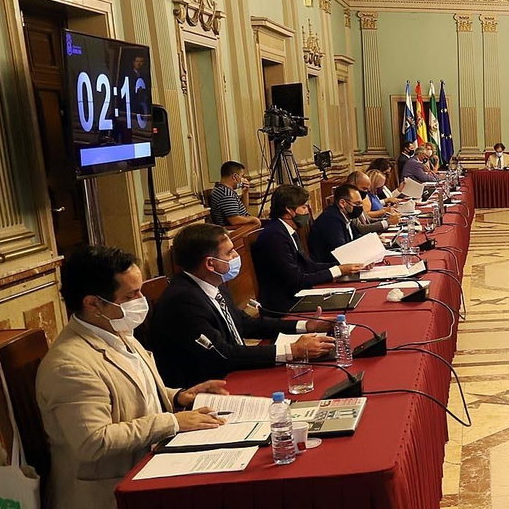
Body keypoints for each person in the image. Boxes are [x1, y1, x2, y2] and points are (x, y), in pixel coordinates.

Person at [35, 245, 229, 509]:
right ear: (92, 303)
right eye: (130, 296)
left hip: (148, 462)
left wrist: (178, 396)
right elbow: (93, 442)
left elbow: (130, 390)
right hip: (111, 495)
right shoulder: (70, 364)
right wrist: (173, 421)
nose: (142, 302)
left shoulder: (115, 331)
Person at [146, 224, 334, 388]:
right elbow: (222, 354)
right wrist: (292, 350)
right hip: (211, 387)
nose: (236, 256)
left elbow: (245, 324)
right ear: (210, 264)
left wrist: (304, 326)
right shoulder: (182, 301)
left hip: (235, 372)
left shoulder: (213, 285)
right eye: (229, 252)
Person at [251, 185, 362, 315]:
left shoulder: (286, 230)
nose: (307, 211)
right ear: (289, 210)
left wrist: (343, 267)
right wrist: (337, 270)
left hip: (297, 294)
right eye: (303, 207)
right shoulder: (274, 236)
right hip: (286, 305)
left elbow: (308, 265)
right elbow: (297, 280)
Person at [308, 183, 364, 265]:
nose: (360, 207)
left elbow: (354, 238)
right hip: (329, 267)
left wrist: (371, 241)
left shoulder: (345, 216)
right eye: (357, 204)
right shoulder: (330, 220)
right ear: (342, 203)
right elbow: (341, 251)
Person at [209, 162, 260, 231]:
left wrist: (245, 192)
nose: (244, 179)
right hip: (235, 231)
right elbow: (235, 220)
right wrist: (253, 219)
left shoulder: (224, 190)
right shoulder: (226, 194)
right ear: (234, 176)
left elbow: (243, 209)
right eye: (242, 176)